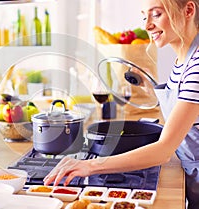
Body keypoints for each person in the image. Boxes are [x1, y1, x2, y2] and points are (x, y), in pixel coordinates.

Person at [43, 0, 199, 208]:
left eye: (156, 14)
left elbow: (164, 150)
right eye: (145, 16)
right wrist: (148, 87)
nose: (147, 26)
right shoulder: (182, 60)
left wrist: (89, 166)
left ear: (188, 10)